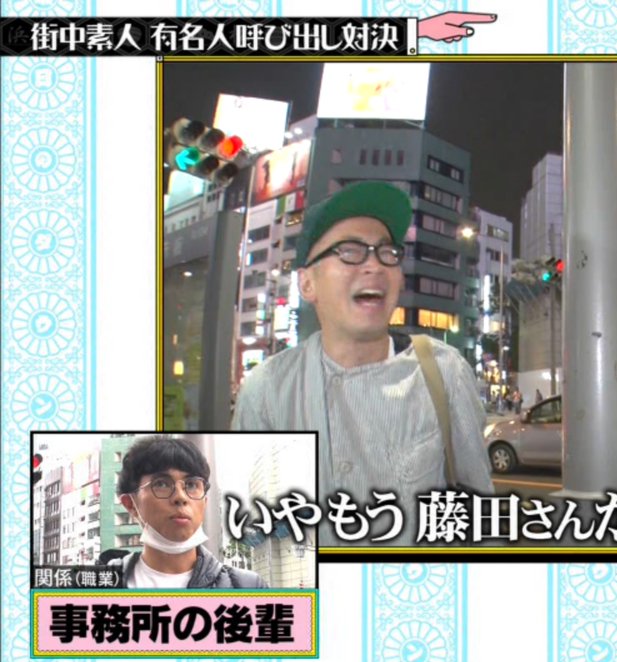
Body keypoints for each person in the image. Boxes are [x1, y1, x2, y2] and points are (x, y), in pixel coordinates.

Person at [232, 181, 493, 545]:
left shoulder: (442, 370)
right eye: (350, 251)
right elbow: (250, 535)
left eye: (387, 253)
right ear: (307, 284)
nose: (375, 265)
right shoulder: (268, 390)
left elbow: (479, 514)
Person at [112, 435, 266, 588]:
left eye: (191, 485)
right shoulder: (104, 584)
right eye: (162, 484)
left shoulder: (248, 586)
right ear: (130, 504)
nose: (180, 496)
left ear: (205, 502)